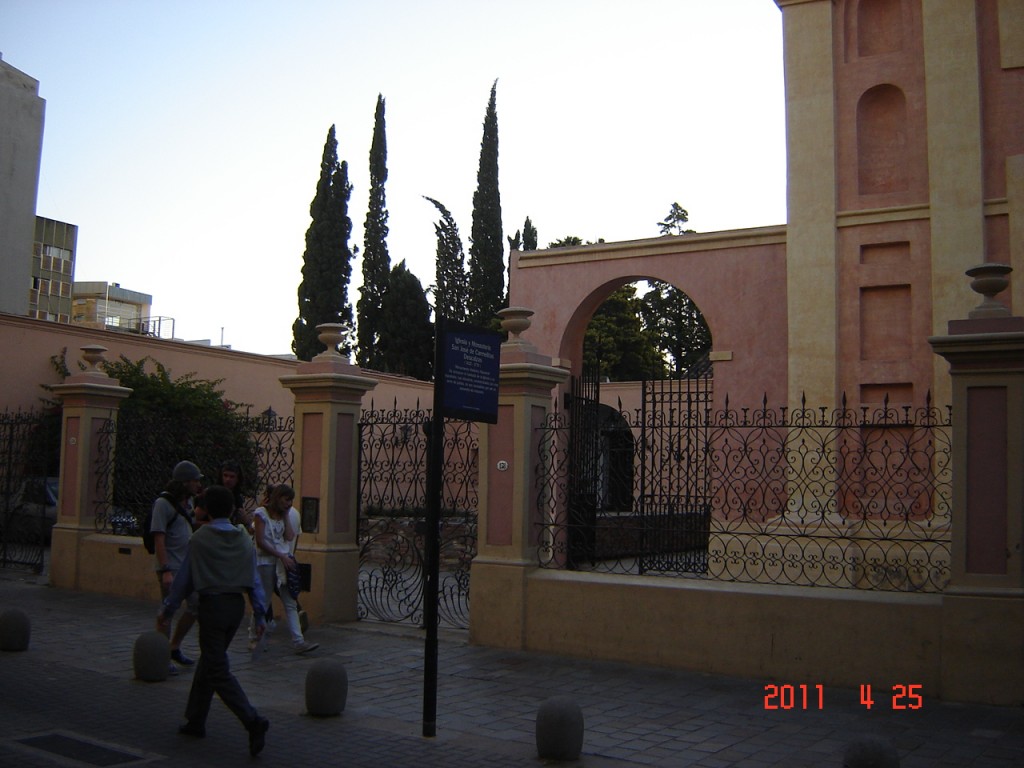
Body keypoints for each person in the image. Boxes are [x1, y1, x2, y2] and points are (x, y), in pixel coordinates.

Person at [156, 484, 271, 757]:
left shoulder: (200, 539)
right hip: (235, 608)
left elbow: (184, 580)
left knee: (217, 669)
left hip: (212, 607)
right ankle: (195, 720)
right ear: (232, 509)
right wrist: (260, 614)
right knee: (210, 661)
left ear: (205, 509)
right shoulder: (244, 537)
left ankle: (252, 721)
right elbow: (254, 579)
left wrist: (167, 609)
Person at [253, 484, 318, 654]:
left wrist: (287, 515)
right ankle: (254, 637)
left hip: (282, 564)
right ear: (277, 497)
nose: (289, 503)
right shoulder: (261, 514)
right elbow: (260, 541)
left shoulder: (284, 516)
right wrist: (280, 555)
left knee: (289, 601)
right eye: (286, 499)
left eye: (291, 500)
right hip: (266, 562)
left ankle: (299, 641)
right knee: (264, 601)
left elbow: (289, 536)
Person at [150, 460, 202, 671]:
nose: (198, 485)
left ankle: (174, 647)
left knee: (196, 605)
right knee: (167, 611)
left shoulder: (188, 503)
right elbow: (159, 537)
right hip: (171, 567)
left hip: (187, 567)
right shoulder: (163, 504)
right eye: (195, 481)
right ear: (185, 482)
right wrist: (165, 570)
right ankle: (161, 656)